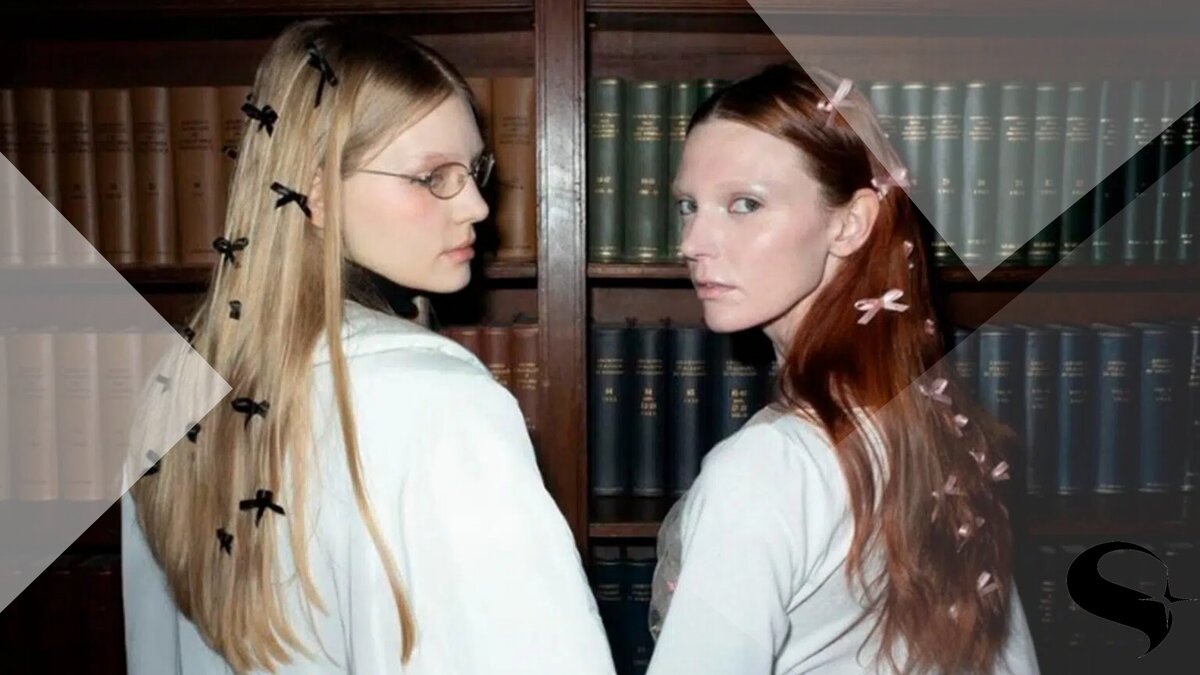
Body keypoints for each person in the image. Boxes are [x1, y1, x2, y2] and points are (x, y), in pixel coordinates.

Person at [119, 18, 615, 675]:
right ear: (317, 196)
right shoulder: (440, 401)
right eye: (432, 176)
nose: (475, 205)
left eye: (474, 171)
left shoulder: (173, 388)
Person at [645, 62, 1040, 675]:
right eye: (689, 206)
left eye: (745, 204)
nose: (692, 242)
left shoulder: (768, 468)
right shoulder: (936, 422)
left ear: (851, 223)